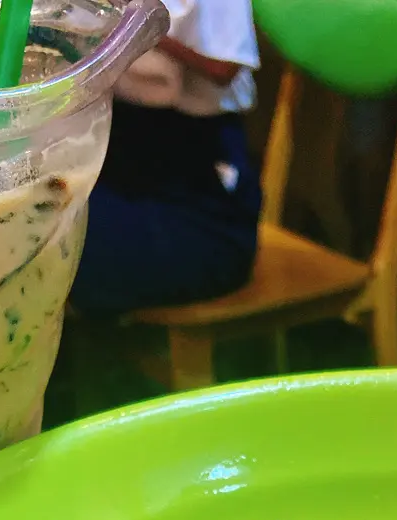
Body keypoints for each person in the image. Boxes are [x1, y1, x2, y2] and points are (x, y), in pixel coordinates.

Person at [71, 0, 262, 315]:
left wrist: (132, 28)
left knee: (59, 247)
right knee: (32, 222)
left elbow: (224, 67)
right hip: (120, 163)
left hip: (198, 199)